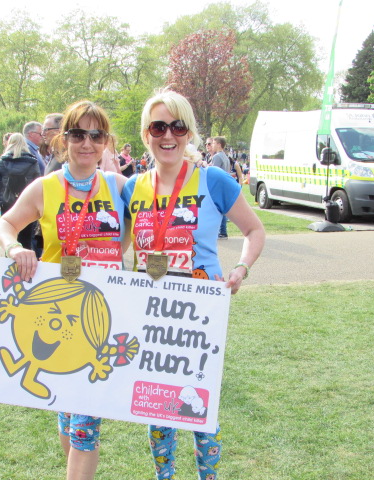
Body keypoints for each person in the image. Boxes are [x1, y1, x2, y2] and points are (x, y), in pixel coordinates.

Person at [122, 88, 265, 480]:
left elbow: (254, 229)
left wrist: (240, 270)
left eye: (178, 126)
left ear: (189, 133)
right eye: (158, 126)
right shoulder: (132, 188)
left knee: (200, 408)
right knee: (156, 407)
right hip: (150, 312)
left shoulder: (212, 179)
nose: (168, 135)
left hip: (200, 313)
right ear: (146, 132)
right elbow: (113, 250)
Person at [0, 100, 129, 480]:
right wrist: (16, 247)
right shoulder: (45, 187)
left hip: (98, 315)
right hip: (54, 313)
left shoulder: (119, 187)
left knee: (85, 422)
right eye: (77, 134)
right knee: (69, 415)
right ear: (62, 139)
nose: (86, 143)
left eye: (96, 135)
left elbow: (150, 223)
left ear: (106, 141)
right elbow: (5, 224)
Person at [0, 133, 40, 248]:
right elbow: (38, 181)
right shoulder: (32, 162)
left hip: (7, 200)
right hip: (28, 202)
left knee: (8, 233)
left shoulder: (2, 161)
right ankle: (27, 260)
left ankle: (10, 259)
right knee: (26, 237)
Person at [211, 136, 232, 238]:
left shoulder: (217, 157)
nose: (212, 145)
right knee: (222, 209)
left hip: (218, 186)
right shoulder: (225, 157)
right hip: (225, 185)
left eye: (214, 143)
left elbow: (213, 173)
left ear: (219, 144)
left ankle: (221, 231)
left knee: (217, 209)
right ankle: (223, 231)